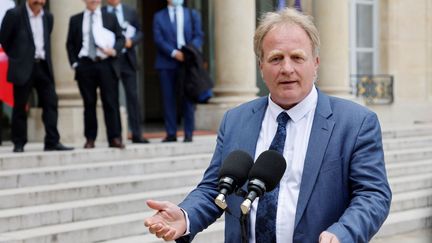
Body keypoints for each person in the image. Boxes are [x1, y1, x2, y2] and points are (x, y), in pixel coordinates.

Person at [144, 7, 392, 243]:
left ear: (315, 63)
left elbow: (373, 195)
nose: (287, 68)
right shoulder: (235, 121)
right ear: (261, 67)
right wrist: (185, 216)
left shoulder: (355, 123)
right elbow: (215, 189)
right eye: (276, 58)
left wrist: (343, 233)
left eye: (297, 57)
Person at [0, 0, 73, 153]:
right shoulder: (14, 14)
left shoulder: (48, 16)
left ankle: (52, 141)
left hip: (43, 66)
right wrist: (17, 57)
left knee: (51, 102)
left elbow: (47, 37)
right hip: (23, 66)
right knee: (20, 106)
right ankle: (19, 142)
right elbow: (5, 40)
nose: (39, 1)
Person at [66, 0, 125, 149]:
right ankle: (90, 138)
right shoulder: (75, 19)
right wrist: (75, 64)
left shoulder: (110, 17)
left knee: (111, 102)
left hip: (105, 63)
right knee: (89, 103)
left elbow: (120, 38)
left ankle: (115, 137)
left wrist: (114, 51)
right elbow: (70, 44)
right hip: (85, 65)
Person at [152, 0, 204, 143]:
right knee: (168, 98)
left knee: (188, 97)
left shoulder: (192, 14)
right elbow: (158, 39)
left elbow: (199, 35)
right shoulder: (159, 16)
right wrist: (174, 53)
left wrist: (188, 52)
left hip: (187, 62)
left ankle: (188, 133)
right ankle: (171, 133)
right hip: (166, 62)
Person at [102, 0, 149, 144]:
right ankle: (116, 136)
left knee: (133, 97)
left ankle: (136, 133)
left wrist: (132, 41)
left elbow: (140, 32)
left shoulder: (130, 11)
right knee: (112, 98)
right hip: (110, 60)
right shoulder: (102, 13)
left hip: (128, 60)